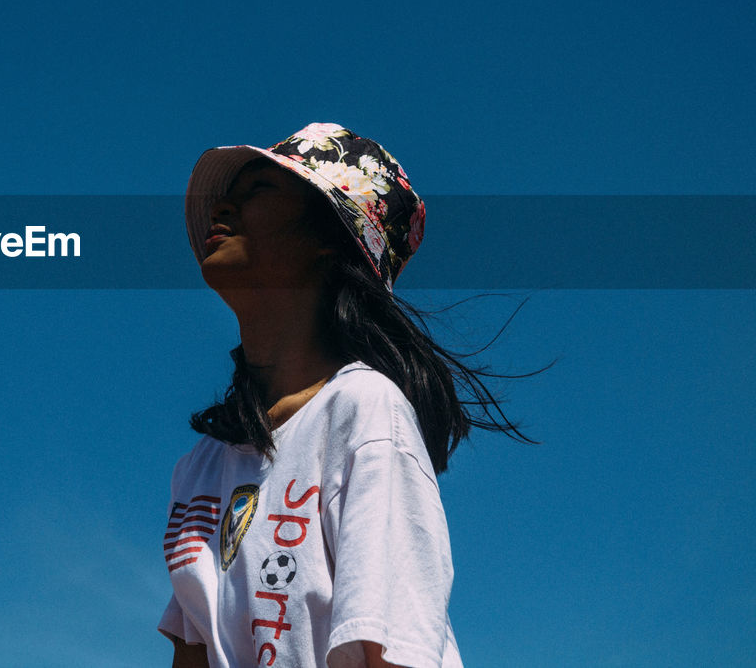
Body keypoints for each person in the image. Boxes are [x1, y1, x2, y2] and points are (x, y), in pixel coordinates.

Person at [159, 123, 533, 668]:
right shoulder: (199, 469)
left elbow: (389, 654)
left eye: (258, 190)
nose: (223, 209)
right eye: (226, 196)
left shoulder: (364, 416)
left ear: (326, 241)